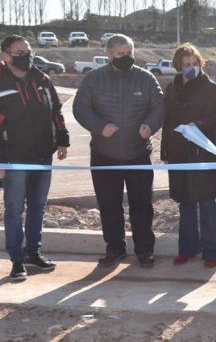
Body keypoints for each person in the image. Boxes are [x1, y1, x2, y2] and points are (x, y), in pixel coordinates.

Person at [73, 34, 164, 268]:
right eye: (121, 54)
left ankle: (144, 250)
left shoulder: (146, 78)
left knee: (142, 206)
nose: (126, 57)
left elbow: (159, 107)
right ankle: (115, 249)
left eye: (129, 53)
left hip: (138, 154)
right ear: (109, 54)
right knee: (109, 205)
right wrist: (99, 126)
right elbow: (80, 109)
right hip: (104, 155)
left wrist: (150, 125)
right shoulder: (93, 79)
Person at [0, 35, 70, 281]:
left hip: (43, 155)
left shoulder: (41, 79)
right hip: (13, 159)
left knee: (37, 207)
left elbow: (55, 110)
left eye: (28, 51)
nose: (27, 56)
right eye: (20, 52)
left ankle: (33, 253)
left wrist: (62, 139)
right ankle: (17, 260)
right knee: (14, 209)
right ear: (6, 55)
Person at [161, 44, 216, 268]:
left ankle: (212, 251)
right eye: (186, 64)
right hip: (179, 151)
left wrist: (195, 127)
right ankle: (187, 249)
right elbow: (167, 120)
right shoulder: (172, 88)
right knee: (185, 202)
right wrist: (166, 149)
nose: (191, 67)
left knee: (207, 202)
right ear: (178, 66)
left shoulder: (209, 87)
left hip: (203, 150)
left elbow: (214, 116)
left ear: (200, 63)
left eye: (194, 63)